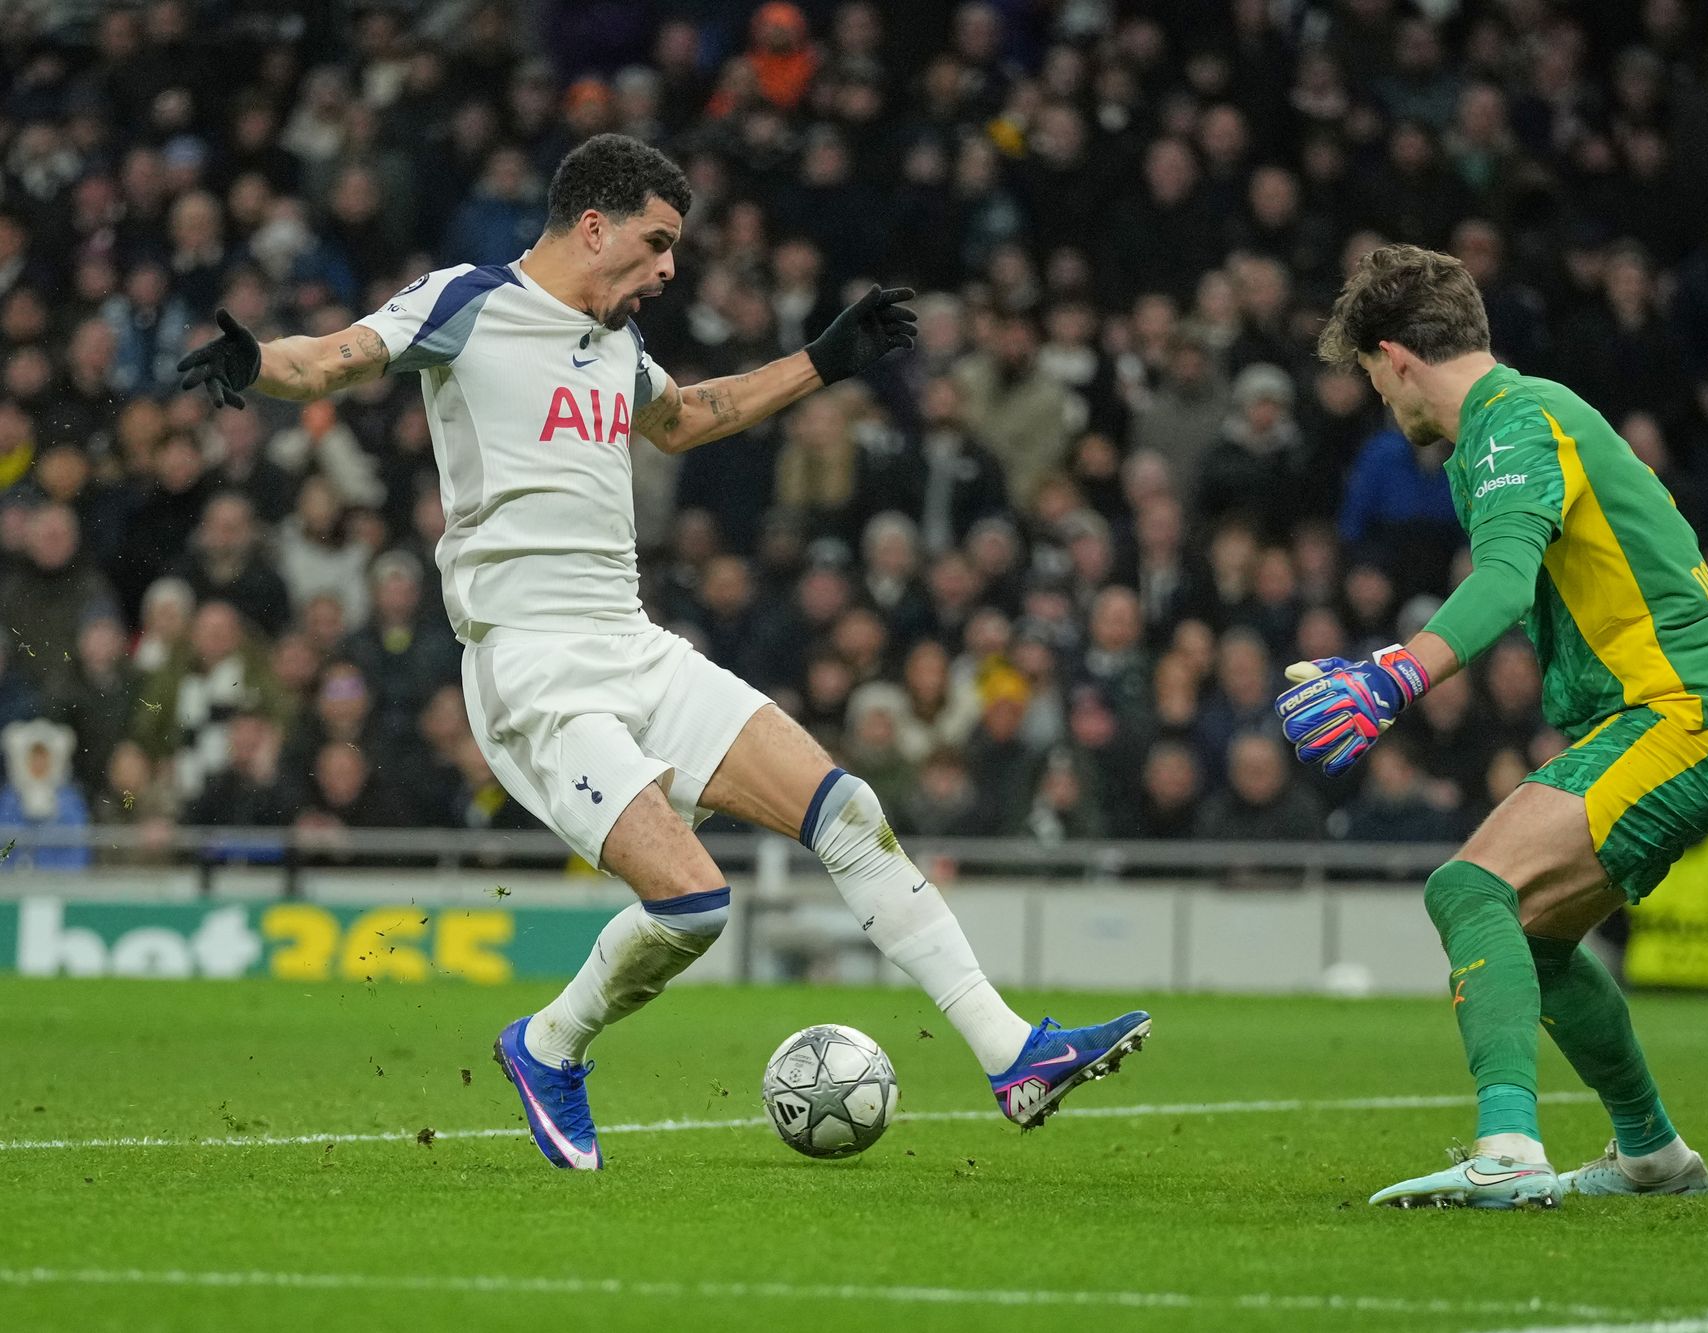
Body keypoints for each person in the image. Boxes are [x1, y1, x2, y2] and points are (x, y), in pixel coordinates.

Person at [176, 132, 1147, 1172]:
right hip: (532, 669)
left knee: (848, 812)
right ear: (592, 226)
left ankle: (1011, 1054)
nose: (668, 269)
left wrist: (820, 362)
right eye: (655, 243)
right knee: (693, 903)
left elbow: (685, 419)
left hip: (632, 644)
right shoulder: (468, 301)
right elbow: (332, 358)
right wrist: (255, 363)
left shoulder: (614, 344)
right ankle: (548, 1044)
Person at [1275, 245, 1708, 1210]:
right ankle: (1650, 1152)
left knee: (1472, 888)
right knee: (1538, 938)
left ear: (1395, 357)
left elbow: (1507, 582)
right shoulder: (1547, 411)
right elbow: (1647, 553)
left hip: (1678, 717)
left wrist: (1395, 674)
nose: (1383, 403)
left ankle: (1510, 1147)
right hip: (1691, 713)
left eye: (1369, 377)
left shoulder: (1510, 423)